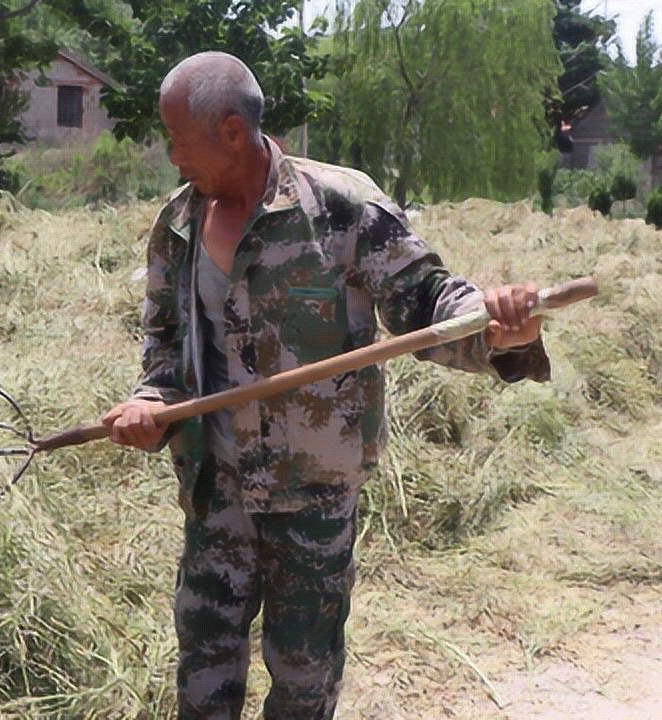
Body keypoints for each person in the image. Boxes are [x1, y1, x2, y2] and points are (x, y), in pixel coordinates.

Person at [100, 52, 550, 720]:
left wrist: (497, 331)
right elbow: (165, 344)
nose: (171, 156)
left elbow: (427, 301)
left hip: (311, 495)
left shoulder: (341, 208)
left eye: (177, 139)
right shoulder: (177, 226)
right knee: (202, 678)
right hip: (213, 490)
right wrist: (150, 404)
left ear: (230, 131)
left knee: (304, 683)